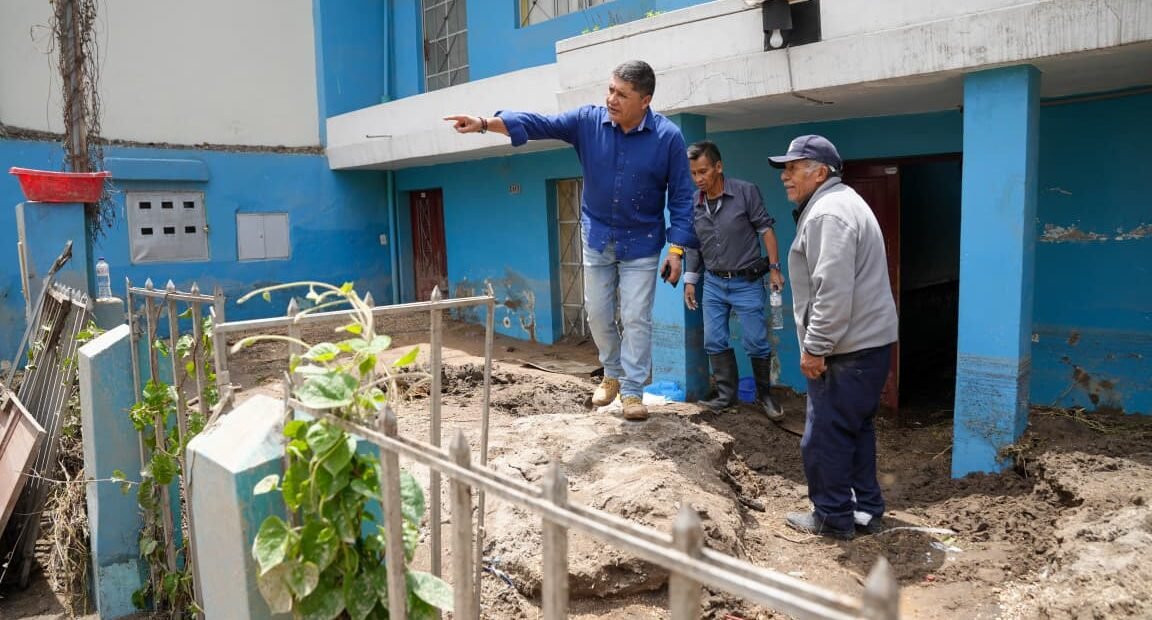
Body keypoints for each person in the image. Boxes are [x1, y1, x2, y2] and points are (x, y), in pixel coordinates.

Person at [445, 60, 698, 422]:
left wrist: (676, 249)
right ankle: (611, 372)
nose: (611, 99)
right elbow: (539, 123)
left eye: (622, 94)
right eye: (610, 89)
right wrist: (485, 123)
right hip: (598, 236)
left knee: (636, 317)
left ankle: (632, 391)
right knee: (597, 313)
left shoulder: (668, 137)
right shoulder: (588, 121)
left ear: (645, 101)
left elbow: (683, 197)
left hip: (642, 241)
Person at [768, 135, 898, 540]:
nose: (785, 176)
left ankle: (832, 517)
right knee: (854, 430)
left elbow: (832, 290)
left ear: (820, 172)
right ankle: (865, 510)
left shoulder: (828, 213)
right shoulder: (843, 202)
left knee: (823, 438)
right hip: (867, 344)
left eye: (794, 167)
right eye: (785, 168)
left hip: (847, 349)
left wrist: (815, 347)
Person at [682, 141, 785, 420]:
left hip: (746, 282)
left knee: (756, 340)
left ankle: (765, 396)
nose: (698, 179)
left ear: (718, 167)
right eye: (694, 173)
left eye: (703, 171)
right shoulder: (694, 202)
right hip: (713, 283)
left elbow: (766, 230)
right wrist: (690, 281)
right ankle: (726, 397)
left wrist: (774, 269)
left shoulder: (745, 192)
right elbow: (694, 245)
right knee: (714, 340)